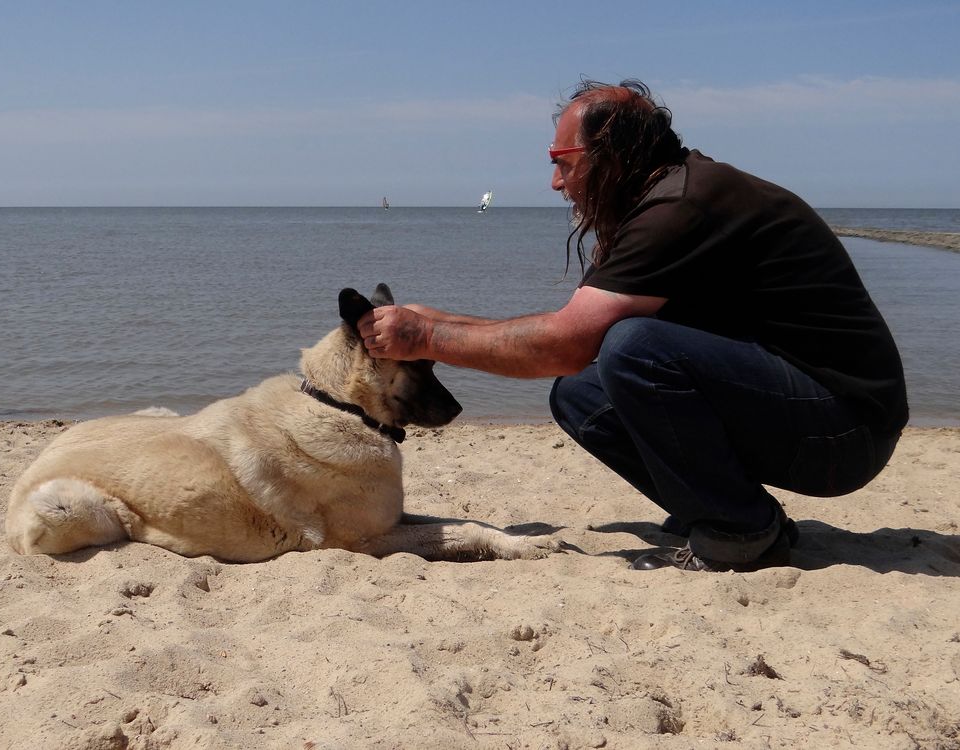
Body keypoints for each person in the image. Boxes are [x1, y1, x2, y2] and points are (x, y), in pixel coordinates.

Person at [357, 79, 908, 572]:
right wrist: (435, 318)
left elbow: (566, 343)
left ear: (613, 157)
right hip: (809, 415)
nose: (555, 181)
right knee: (580, 394)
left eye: (563, 160)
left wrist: (426, 337)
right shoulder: (657, 199)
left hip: (847, 433)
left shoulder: (681, 207)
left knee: (634, 348)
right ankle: (729, 512)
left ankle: (741, 531)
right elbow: (571, 335)